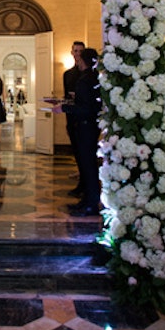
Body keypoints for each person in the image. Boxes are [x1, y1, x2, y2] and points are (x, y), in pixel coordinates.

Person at [54, 47, 101, 216]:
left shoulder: (85, 80)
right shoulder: (95, 77)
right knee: (88, 165)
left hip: (85, 126)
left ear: (82, 60)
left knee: (88, 166)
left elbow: (85, 107)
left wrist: (64, 107)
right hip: (91, 126)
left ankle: (91, 203)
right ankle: (87, 200)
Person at [63, 41, 85, 198]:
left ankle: (85, 183)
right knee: (77, 152)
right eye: (75, 50)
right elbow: (67, 97)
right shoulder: (67, 74)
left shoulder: (88, 74)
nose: (77, 54)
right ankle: (81, 181)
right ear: (72, 52)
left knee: (85, 153)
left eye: (80, 51)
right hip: (71, 118)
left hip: (84, 119)